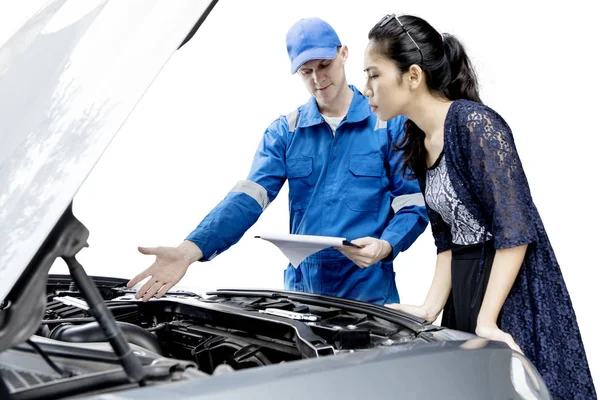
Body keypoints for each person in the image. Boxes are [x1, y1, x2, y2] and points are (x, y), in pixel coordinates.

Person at [362, 13, 595, 398]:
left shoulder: (475, 123)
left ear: (413, 76)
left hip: (512, 292)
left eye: (374, 74)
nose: (366, 88)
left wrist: (487, 319)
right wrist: (429, 306)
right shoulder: (418, 138)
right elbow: (447, 240)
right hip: (466, 291)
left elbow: (516, 231)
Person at [127, 17, 428, 306]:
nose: (318, 78)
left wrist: (386, 245)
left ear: (343, 53)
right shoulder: (285, 132)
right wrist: (188, 251)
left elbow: (413, 202)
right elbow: (247, 200)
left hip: (369, 293)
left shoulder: (388, 125)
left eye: (325, 65)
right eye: (306, 71)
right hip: (303, 296)